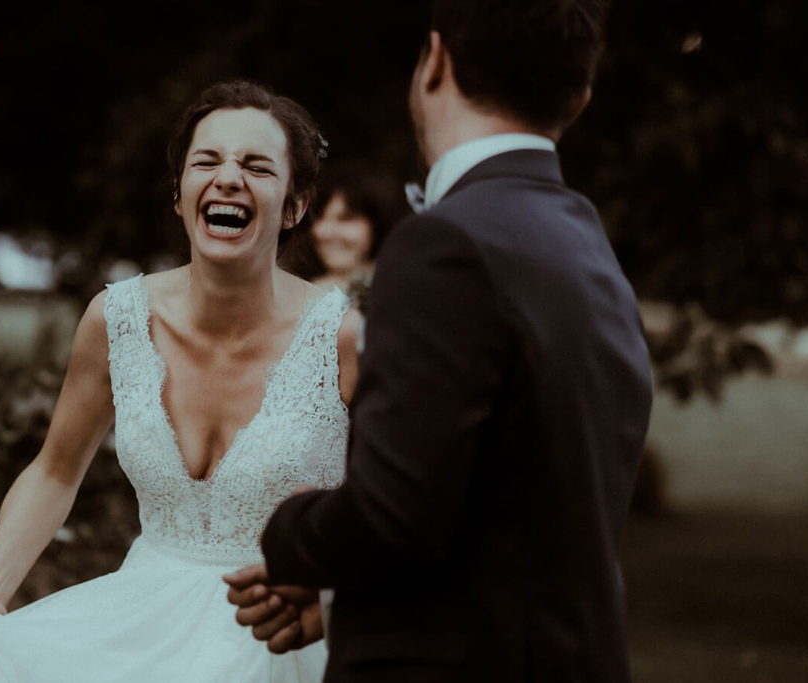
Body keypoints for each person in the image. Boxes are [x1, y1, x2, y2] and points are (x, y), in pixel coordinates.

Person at [225, 1, 653, 681]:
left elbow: (394, 514)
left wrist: (288, 532)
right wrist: (349, 606)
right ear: (580, 96)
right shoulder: (582, 237)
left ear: (434, 62)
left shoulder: (446, 243)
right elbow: (518, 509)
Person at [0, 80, 361, 682]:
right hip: (142, 629)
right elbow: (55, 470)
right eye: (207, 161)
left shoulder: (346, 339)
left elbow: (405, 507)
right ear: (178, 193)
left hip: (285, 639)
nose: (227, 178)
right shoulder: (115, 320)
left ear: (294, 206)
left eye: (256, 166)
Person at [305, 168, 397, 311]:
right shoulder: (300, 296)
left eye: (346, 218)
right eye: (320, 217)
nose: (326, 232)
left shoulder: (400, 288)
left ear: (376, 224)